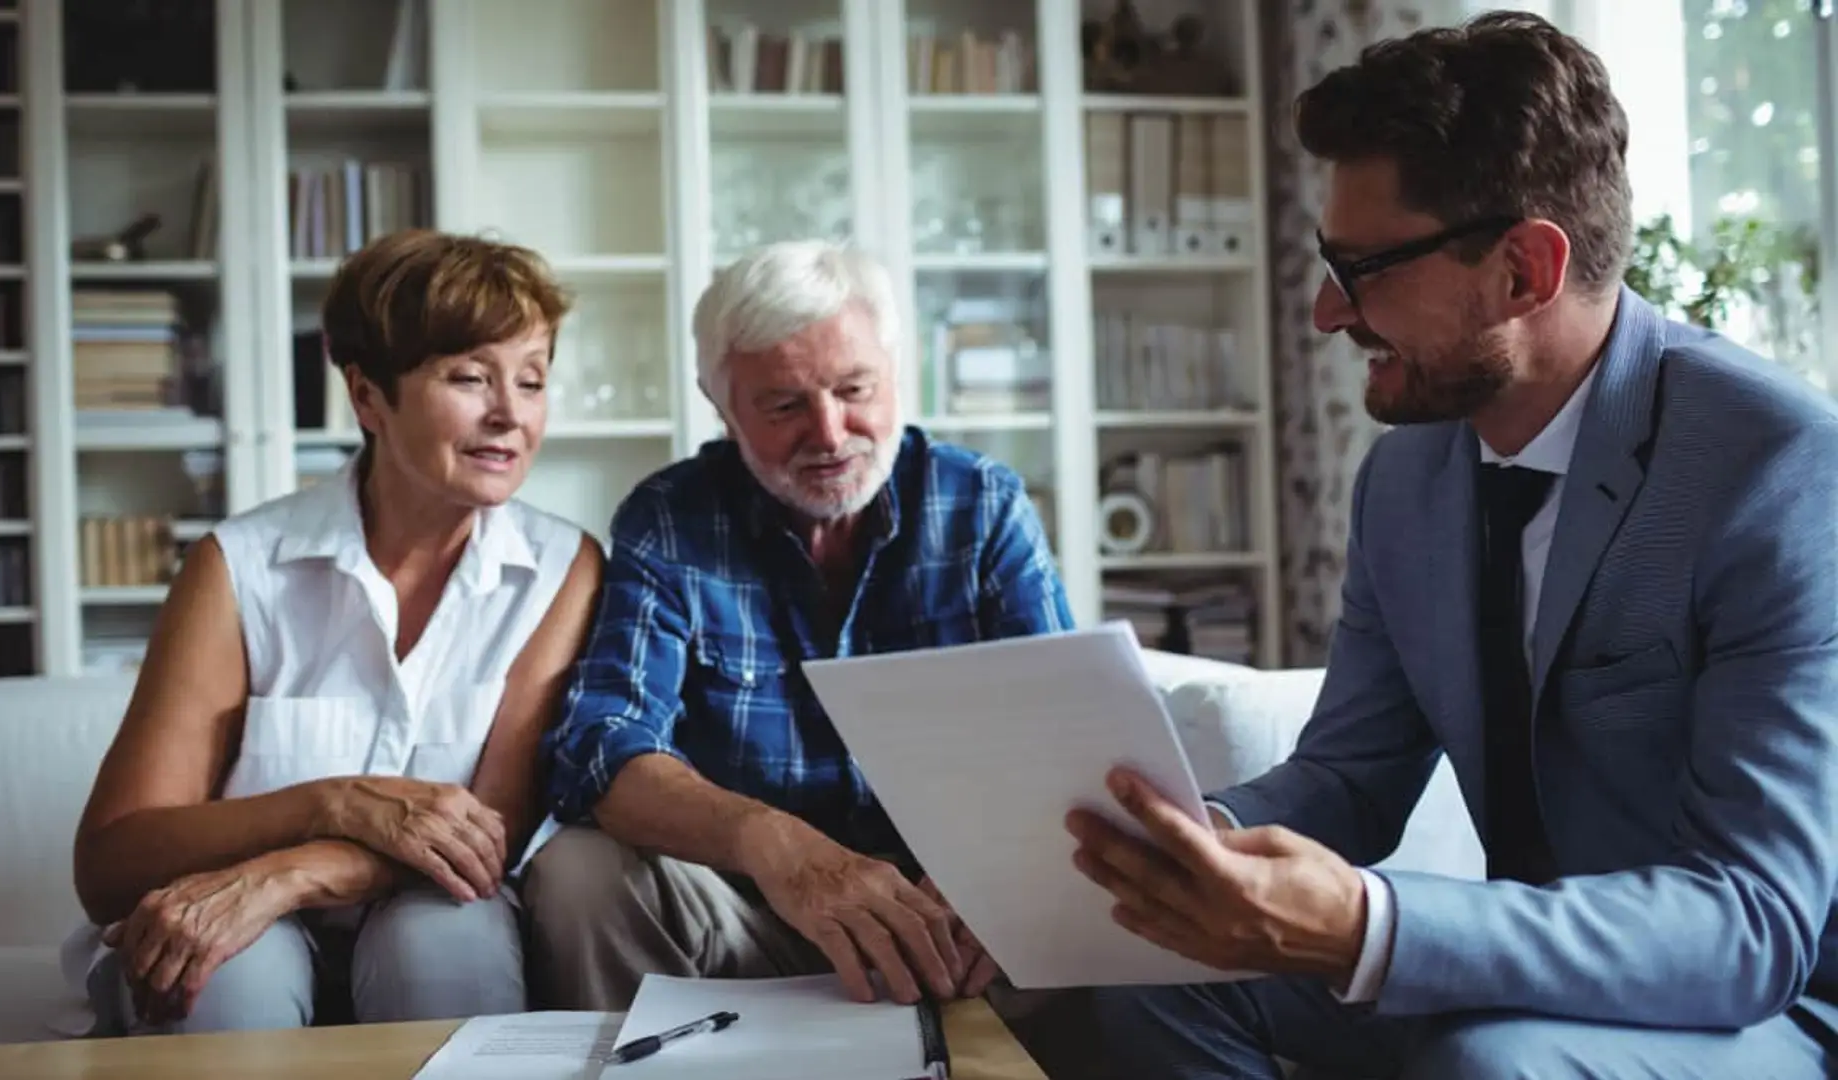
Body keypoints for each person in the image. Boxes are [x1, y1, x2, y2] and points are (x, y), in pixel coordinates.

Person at [1071, 11, 1838, 1079]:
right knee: (1143, 978)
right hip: (1522, 975)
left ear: (1524, 270)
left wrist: (1370, 924)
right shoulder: (1406, 480)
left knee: (1491, 1065)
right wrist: (1182, 842)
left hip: (1771, 1007)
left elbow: (1752, 922)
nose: (1326, 311)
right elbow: (1351, 779)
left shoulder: (1776, 467)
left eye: (1364, 267)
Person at [63, 229, 604, 1035]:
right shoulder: (238, 566)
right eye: (470, 377)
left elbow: (488, 838)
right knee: (227, 979)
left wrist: (288, 875)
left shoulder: (563, 569)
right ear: (367, 398)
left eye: (531, 380)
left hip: (431, 910)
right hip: (235, 925)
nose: (509, 414)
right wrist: (335, 804)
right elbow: (111, 864)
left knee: (444, 939)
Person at [520, 239, 1073, 1014]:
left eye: (855, 389)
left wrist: (997, 867)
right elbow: (603, 747)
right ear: (722, 408)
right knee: (578, 872)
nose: (830, 433)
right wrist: (772, 844)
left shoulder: (983, 505)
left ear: (897, 372)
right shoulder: (672, 518)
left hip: (954, 917)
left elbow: (1064, 735)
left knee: (1076, 898)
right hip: (747, 914)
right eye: (784, 406)